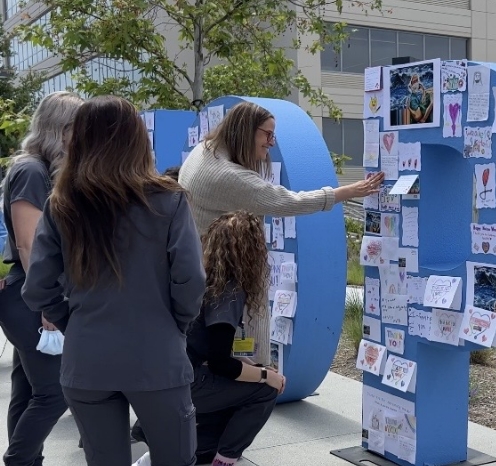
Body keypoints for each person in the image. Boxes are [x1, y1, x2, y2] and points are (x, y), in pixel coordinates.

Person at [22, 95, 206, 466]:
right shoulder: (168, 201)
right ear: (138, 139)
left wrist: (75, 322)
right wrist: (176, 325)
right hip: (157, 357)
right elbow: (191, 281)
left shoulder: (62, 204)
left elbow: (37, 286)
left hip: (88, 358)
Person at [179, 102, 382, 364]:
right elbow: (288, 201)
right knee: (243, 362)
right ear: (246, 131)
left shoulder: (204, 152)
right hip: (225, 279)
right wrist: (347, 192)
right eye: (267, 134)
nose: (271, 143)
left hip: (203, 275)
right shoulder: (227, 175)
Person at [135, 211, 283, 466]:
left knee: (245, 382)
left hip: (163, 376)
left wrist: (255, 367)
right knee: (265, 390)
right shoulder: (229, 291)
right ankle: (225, 459)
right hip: (187, 381)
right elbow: (220, 363)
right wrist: (266, 375)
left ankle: (180, 446)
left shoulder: (200, 279)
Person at [0, 90, 82, 466]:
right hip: (30, 297)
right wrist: (48, 303)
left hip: (26, 295)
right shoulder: (31, 170)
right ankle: (19, 460)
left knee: (27, 389)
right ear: (61, 129)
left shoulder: (33, 169)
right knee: (53, 392)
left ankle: (26, 460)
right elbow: (28, 242)